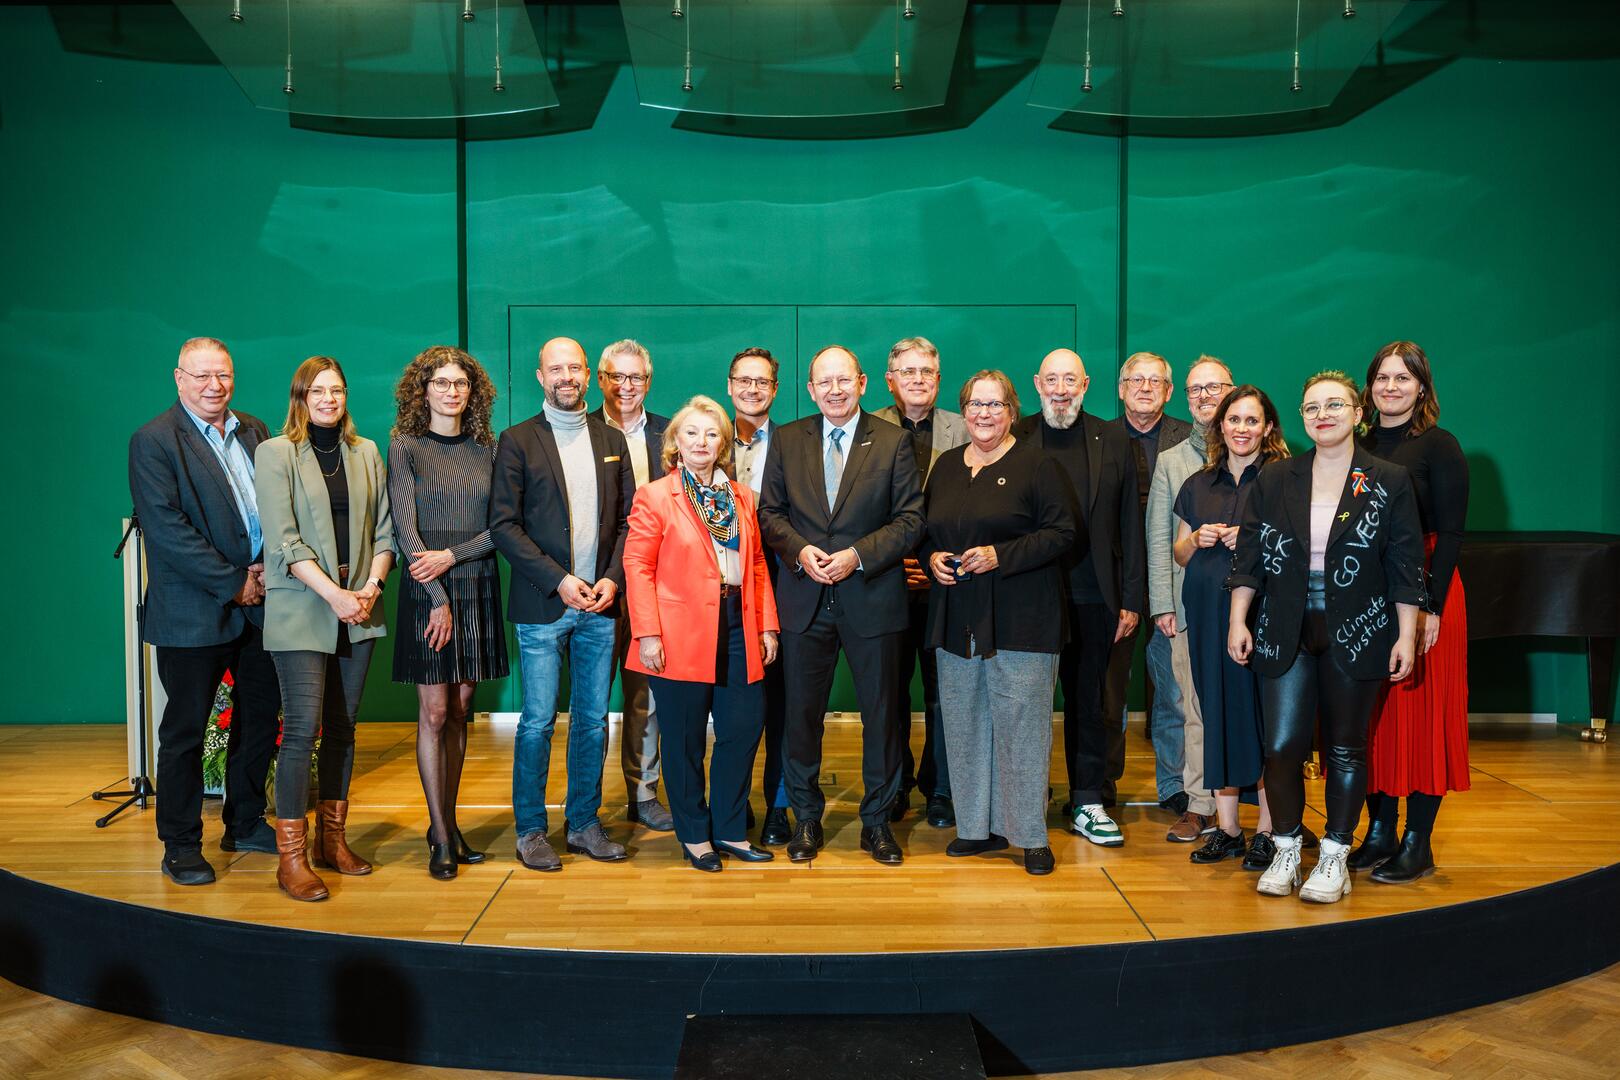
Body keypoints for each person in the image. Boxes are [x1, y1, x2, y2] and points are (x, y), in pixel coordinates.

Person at [1228, 370, 1426, 903]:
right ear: (1302, 417)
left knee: (1345, 748)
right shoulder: (1276, 478)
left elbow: (1406, 564)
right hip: (1285, 629)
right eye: (1312, 407)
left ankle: (1336, 854)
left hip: (1358, 631)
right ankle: (1288, 845)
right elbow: (1250, 554)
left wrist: (1406, 636)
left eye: (1335, 405)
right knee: (1283, 746)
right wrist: (1237, 618)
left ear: (1357, 413)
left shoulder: (1387, 479)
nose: (1323, 415)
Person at [757, 345, 926, 865]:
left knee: (881, 717)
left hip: (872, 597)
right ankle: (805, 818)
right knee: (800, 717)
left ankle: (877, 823)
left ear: (862, 383)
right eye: (823, 382)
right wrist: (800, 551)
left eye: (843, 380)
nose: (834, 389)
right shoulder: (787, 440)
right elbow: (769, 513)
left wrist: (856, 556)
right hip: (804, 600)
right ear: (810, 390)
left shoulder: (894, 441)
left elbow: (911, 520)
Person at [128, 337, 281, 885]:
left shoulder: (256, 430)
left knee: (261, 720)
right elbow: (168, 531)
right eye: (202, 376)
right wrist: (235, 581)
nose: (215, 386)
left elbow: (277, 510)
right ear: (178, 378)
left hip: (261, 605)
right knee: (186, 732)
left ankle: (243, 822)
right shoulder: (153, 440)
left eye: (223, 375)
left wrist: (265, 571)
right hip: (194, 612)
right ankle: (182, 844)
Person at [490, 337, 635, 872]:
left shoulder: (611, 438)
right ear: (540, 375)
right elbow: (504, 526)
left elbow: (628, 523)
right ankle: (531, 830)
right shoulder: (517, 441)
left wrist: (614, 579)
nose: (566, 376)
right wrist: (559, 581)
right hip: (544, 606)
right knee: (537, 722)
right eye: (557, 368)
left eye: (575, 367)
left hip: (601, 605)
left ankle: (583, 824)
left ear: (588, 375)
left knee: (594, 721)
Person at [922, 371, 1075, 875]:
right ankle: (976, 828)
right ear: (962, 411)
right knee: (964, 724)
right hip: (957, 617)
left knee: (1021, 729)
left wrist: (999, 554)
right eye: (974, 404)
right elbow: (926, 531)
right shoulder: (945, 466)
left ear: (1011, 410)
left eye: (994, 405)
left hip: (1022, 618)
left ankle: (1030, 836)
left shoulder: (1038, 464)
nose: (983, 414)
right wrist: (934, 557)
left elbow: (1063, 533)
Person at [256, 356, 395, 902]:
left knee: (343, 728)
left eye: (337, 390)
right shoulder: (276, 453)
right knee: (301, 731)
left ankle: (332, 844)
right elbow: (284, 543)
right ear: (300, 396)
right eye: (318, 390)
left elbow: (385, 530)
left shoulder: (366, 454)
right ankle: (291, 857)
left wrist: (370, 590)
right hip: (304, 609)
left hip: (360, 608)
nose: (329, 399)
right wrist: (335, 595)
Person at [622, 396, 781, 872]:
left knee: (742, 730)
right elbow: (637, 565)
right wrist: (648, 633)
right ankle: (694, 836)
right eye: (691, 433)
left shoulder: (742, 497)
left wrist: (767, 624)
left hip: (738, 623)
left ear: (723, 444)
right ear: (675, 442)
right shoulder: (655, 496)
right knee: (685, 738)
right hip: (677, 632)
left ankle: (730, 829)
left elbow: (755, 563)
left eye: (712, 434)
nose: (701, 442)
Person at [388, 346, 509, 881]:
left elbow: (502, 526)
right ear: (424, 390)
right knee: (434, 713)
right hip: (426, 589)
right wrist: (437, 597)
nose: (450, 391)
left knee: (461, 709)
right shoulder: (405, 446)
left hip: (477, 582)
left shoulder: (491, 447)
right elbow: (405, 529)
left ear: (472, 392)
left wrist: (455, 556)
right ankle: (438, 834)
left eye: (460, 382)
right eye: (440, 382)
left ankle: (451, 824)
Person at [1354, 341, 1470, 884]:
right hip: (1368, 594)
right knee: (1372, 718)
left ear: (1422, 386)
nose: (1391, 387)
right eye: (1382, 377)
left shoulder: (1439, 447)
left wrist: (1431, 607)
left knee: (1422, 718)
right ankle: (1378, 831)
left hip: (1424, 591)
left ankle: (1417, 841)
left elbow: (1449, 534)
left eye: (1403, 378)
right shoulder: (1356, 442)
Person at [1015, 349, 1141, 847]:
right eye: (1052, 379)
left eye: (1070, 378)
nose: (1061, 388)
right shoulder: (1017, 434)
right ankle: (1025, 797)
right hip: (1029, 594)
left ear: (1086, 383)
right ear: (1037, 383)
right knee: (1026, 704)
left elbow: (1130, 523)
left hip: (1095, 596)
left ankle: (1087, 800)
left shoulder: (1113, 437)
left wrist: (1130, 597)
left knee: (1089, 702)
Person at [1175, 386, 1289, 870]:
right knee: (1215, 712)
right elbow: (1177, 551)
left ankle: (1267, 829)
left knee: (1258, 719)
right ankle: (1227, 829)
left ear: (1267, 428)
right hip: (1204, 614)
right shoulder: (1199, 483)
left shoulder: (1284, 481)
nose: (1241, 428)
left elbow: (1298, 545)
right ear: (1219, 426)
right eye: (1233, 419)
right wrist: (1196, 539)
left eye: (1251, 420)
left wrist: (1253, 536)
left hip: (1261, 616)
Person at [874, 336, 968, 829]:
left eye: (926, 372)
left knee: (942, 693)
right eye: (907, 372)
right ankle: (893, 787)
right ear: (890, 380)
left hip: (946, 584)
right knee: (889, 693)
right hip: (884, 580)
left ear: (938, 378)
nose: (916, 379)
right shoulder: (869, 428)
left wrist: (932, 559)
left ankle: (941, 789)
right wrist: (898, 559)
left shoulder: (964, 426)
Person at [590, 339, 674, 834]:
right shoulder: (580, 430)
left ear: (648, 381)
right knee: (593, 700)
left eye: (636, 378)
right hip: (598, 586)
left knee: (647, 697)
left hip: (656, 588)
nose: (626, 387)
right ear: (600, 379)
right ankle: (587, 803)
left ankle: (643, 795)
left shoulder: (670, 433)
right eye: (616, 377)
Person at [1145, 355, 1231, 843]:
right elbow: (1160, 538)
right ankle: (1199, 803)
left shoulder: (1264, 455)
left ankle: (1260, 802)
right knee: (1192, 707)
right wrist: (1163, 606)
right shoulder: (1172, 461)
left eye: (1214, 387)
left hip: (1247, 608)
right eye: (1196, 390)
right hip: (1189, 608)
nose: (1204, 397)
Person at [1107, 353, 1194, 820]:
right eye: (1134, 380)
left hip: (1174, 582)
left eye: (1155, 380)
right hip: (1118, 584)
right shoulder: (1100, 437)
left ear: (1168, 388)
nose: (1144, 387)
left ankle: (1174, 786)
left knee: (1173, 691)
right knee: (1111, 692)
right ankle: (1104, 785)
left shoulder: (1192, 439)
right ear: (1120, 389)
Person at [727, 346, 793, 846]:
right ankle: (733, 803)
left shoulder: (793, 444)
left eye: (762, 381)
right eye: (743, 380)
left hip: (784, 586)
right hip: (724, 592)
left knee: (783, 705)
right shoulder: (703, 437)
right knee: (737, 707)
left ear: (775, 389)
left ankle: (779, 806)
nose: (752, 389)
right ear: (730, 385)